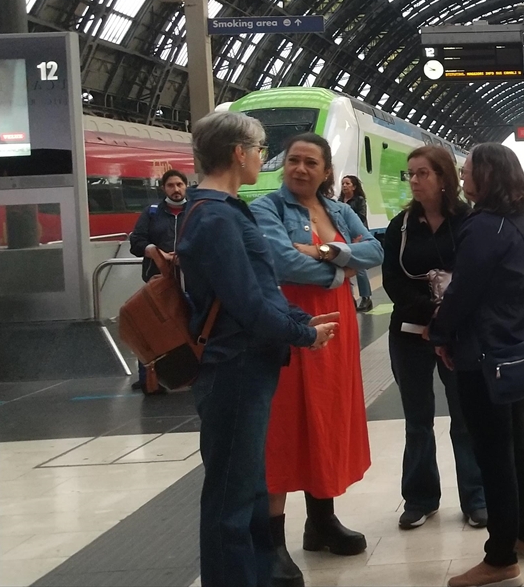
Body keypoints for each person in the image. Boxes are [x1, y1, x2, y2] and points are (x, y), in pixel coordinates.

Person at [176, 112, 338, 587]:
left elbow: (257, 290)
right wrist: (303, 335)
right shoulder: (216, 216)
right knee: (231, 493)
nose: (262, 157)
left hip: (245, 364)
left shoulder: (219, 210)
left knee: (247, 486)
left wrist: (298, 321)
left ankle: (256, 575)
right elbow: (247, 302)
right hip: (235, 366)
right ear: (238, 153)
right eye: (261, 149)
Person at [251, 133, 384, 587]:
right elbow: (280, 261)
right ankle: (272, 543)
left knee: (326, 418)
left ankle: (321, 522)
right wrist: (341, 270)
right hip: (292, 327)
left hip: (337, 332)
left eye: (311, 162)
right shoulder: (267, 208)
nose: (300, 169)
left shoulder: (340, 211)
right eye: (293, 160)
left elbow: (375, 250)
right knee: (285, 427)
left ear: (327, 170)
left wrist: (323, 251)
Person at [431, 143, 524, 587]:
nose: (462, 178)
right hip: (516, 349)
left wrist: (440, 333)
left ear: (487, 176)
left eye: (467, 172)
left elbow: (463, 292)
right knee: (518, 443)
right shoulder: (520, 223)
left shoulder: (483, 227)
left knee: (494, 455)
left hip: (484, 354)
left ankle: (500, 559)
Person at [382, 146, 487, 531]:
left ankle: (476, 497)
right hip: (410, 333)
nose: (414, 180)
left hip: (459, 334)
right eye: (410, 173)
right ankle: (420, 499)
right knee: (417, 419)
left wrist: (448, 318)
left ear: (443, 178)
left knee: (465, 417)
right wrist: (430, 314)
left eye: (422, 173)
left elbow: (478, 275)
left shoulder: (469, 221)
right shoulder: (401, 226)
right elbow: (392, 281)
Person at [128, 168, 188, 393]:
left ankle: (192, 372)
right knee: (151, 326)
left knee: (192, 325)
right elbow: (136, 242)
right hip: (158, 280)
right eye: (171, 185)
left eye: (179, 185)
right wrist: (155, 252)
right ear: (164, 188)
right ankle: (148, 378)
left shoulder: (195, 211)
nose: (176, 189)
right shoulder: (152, 213)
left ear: (186, 187)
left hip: (191, 280)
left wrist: (186, 254)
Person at [339, 175, 374, 312]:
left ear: (354, 186)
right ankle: (350, 298)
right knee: (344, 267)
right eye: (343, 183)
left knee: (359, 268)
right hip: (344, 237)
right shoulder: (339, 201)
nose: (344, 186)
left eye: (347, 183)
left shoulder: (359, 200)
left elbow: (361, 217)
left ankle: (366, 298)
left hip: (357, 236)